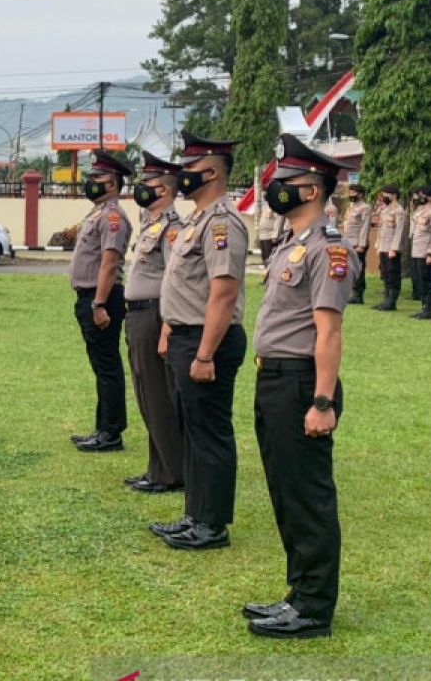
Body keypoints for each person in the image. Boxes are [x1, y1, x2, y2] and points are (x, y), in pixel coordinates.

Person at [244, 133, 358, 640]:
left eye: (286, 183)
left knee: (308, 497)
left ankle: (314, 607)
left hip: (301, 385)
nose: (277, 189)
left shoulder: (329, 249)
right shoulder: (292, 245)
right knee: (285, 493)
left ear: (312, 190)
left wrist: (322, 400)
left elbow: (329, 330)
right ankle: (297, 593)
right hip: (274, 378)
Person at [152, 131, 248, 551]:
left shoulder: (223, 223)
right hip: (186, 336)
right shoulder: (196, 220)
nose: (182, 177)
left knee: (210, 432)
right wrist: (171, 329)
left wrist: (206, 352)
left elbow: (223, 293)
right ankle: (194, 512)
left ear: (210, 172)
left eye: (189, 170)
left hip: (208, 342)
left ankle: (212, 525)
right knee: (191, 431)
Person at [122, 151, 184, 493]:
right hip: (138, 315)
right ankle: (156, 466)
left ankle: (171, 472)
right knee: (146, 393)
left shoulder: (173, 228)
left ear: (164, 190)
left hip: (154, 315)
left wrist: (167, 327)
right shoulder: (151, 223)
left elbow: (176, 279)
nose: (141, 188)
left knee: (158, 395)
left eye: (148, 183)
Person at [68, 148, 134, 452]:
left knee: (107, 367)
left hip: (102, 299)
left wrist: (99, 304)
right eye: (91, 176)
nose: (91, 182)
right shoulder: (98, 213)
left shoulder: (113, 217)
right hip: (91, 297)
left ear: (113, 183)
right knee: (101, 366)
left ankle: (111, 434)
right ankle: (102, 427)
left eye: (98, 177)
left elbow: (109, 263)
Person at [407, 186, 431, 320]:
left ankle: (429, 309)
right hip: (416, 251)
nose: (418, 197)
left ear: (430, 197)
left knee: (427, 281)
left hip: (426, 252)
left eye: (422, 195)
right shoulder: (419, 211)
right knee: (419, 280)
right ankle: (423, 307)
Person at [372, 184, 406, 311]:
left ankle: (392, 301)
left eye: (385, 195)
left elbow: (399, 231)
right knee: (385, 274)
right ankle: (386, 299)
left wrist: (394, 248)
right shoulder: (384, 209)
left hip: (392, 248)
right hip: (383, 246)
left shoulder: (399, 211)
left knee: (393, 275)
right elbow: (381, 229)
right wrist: (378, 246)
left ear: (393, 195)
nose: (383, 197)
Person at [341, 185, 372, 304]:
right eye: (350, 192)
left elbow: (365, 227)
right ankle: (352, 292)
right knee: (350, 269)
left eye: (354, 192)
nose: (351, 195)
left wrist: (362, 244)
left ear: (360, 194)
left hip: (358, 244)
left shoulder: (365, 208)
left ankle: (358, 294)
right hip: (348, 242)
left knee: (358, 269)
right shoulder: (351, 207)